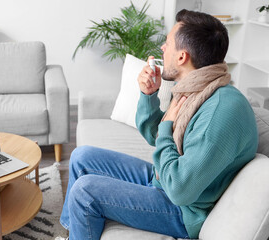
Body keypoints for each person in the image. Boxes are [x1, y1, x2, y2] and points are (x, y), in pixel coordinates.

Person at [57, 9, 258, 240]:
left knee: (86, 191)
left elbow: (180, 190)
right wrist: (148, 95)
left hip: (183, 210)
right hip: (164, 179)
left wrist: (167, 125)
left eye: (167, 43)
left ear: (182, 57)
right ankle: (74, 232)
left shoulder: (220, 111)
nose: (162, 48)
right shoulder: (197, 89)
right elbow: (159, 136)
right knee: (82, 157)